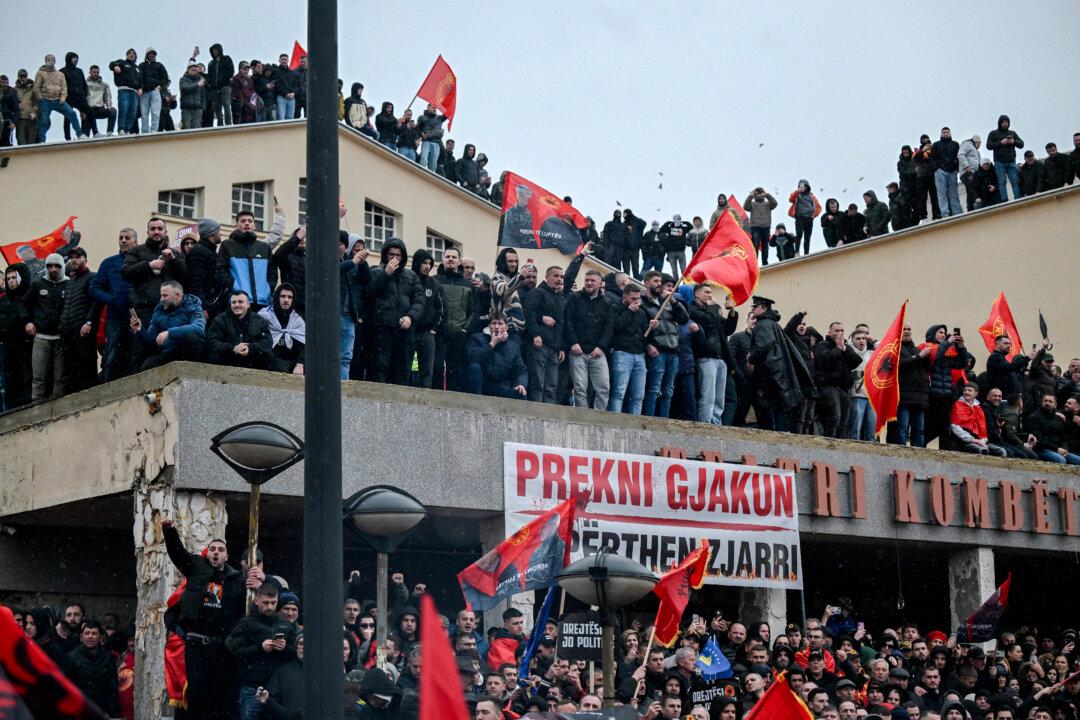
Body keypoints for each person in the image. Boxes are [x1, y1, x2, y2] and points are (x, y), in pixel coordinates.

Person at [162, 516, 247, 720]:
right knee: (196, 697)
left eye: (220, 549)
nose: (216, 552)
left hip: (221, 647)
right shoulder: (196, 567)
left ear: (227, 556)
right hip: (196, 645)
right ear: (207, 553)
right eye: (212, 549)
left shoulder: (236, 580)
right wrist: (170, 531)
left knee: (220, 698)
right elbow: (177, 553)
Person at [225, 582, 297, 720]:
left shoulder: (286, 624)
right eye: (266, 602)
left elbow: (298, 653)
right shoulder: (246, 623)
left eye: (273, 602)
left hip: (278, 688)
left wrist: (284, 648)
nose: (269, 607)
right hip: (252, 686)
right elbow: (233, 652)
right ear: (256, 600)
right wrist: (259, 648)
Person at [748, 296, 811, 431]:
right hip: (777, 377)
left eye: (755, 306)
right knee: (778, 415)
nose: (753, 309)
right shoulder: (773, 324)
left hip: (767, 376)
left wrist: (751, 358)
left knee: (769, 417)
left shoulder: (763, 324)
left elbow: (765, 346)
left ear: (764, 308)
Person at [366, 238, 423, 385]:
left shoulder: (412, 276)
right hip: (381, 328)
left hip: (405, 330)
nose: (395, 258)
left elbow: (419, 300)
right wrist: (386, 274)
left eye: (398, 255)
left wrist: (410, 317)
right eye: (391, 254)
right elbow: (369, 294)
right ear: (385, 255)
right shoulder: (375, 271)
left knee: (402, 369)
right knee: (380, 367)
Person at [642, 272, 689, 418]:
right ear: (646, 283)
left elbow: (683, 318)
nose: (659, 284)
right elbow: (638, 328)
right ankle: (650, 420)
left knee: (668, 391)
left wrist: (674, 302)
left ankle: (663, 421)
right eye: (655, 281)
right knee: (654, 389)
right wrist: (648, 344)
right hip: (658, 351)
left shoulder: (666, 301)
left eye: (660, 281)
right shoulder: (642, 302)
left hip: (673, 351)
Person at [129, 280, 206, 369]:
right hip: (168, 352)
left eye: (165, 295)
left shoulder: (194, 305)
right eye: (161, 295)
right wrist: (139, 330)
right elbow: (153, 341)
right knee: (147, 365)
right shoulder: (159, 310)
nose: (162, 299)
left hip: (186, 350)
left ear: (177, 295)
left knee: (192, 338)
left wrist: (169, 333)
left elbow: (199, 328)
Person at [689, 285, 737, 425]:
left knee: (719, 398)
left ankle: (716, 425)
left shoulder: (711, 311)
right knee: (708, 395)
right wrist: (714, 308)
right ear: (697, 294)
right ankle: (705, 425)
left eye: (711, 292)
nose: (710, 295)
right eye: (707, 292)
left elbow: (727, 329)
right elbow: (708, 322)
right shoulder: (692, 309)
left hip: (721, 358)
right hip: (706, 357)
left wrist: (732, 311)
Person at [565, 269, 612, 410]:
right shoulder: (574, 298)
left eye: (592, 280)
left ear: (600, 283)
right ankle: (582, 418)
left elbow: (609, 327)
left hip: (597, 353)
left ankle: (598, 418)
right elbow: (568, 321)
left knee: (603, 388)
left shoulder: (607, 302)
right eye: (587, 280)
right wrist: (573, 342)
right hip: (577, 351)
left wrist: (601, 346)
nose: (589, 283)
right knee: (579, 388)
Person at [24, 253, 69, 402]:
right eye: (50, 266)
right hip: (41, 338)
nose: (53, 269)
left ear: (62, 266)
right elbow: (23, 304)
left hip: (61, 338)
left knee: (60, 377)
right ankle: (36, 408)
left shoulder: (68, 284)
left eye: (57, 266)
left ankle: (58, 410)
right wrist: (28, 322)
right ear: (46, 267)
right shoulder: (38, 284)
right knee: (38, 377)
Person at [58, 248, 98, 393]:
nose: (73, 259)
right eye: (71, 257)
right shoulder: (69, 282)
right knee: (70, 370)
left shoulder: (92, 278)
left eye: (78, 257)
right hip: (67, 333)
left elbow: (95, 303)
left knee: (86, 369)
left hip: (83, 332)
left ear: (85, 260)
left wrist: (89, 322)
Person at [607, 285, 651, 415]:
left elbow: (645, 336)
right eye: (633, 298)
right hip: (622, 353)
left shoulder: (642, 312)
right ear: (624, 297)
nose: (636, 301)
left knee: (638, 395)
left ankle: (635, 422)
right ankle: (615, 420)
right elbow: (615, 328)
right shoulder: (615, 309)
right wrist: (629, 312)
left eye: (638, 298)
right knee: (619, 392)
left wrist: (652, 329)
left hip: (639, 355)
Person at [217, 210, 273, 311]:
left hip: (262, 303)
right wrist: (234, 287)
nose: (247, 223)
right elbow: (220, 270)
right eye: (243, 221)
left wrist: (268, 290)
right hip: (237, 303)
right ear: (236, 226)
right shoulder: (228, 245)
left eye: (250, 221)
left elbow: (272, 273)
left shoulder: (264, 247)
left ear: (254, 226)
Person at [816, 322, 862, 439]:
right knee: (834, 418)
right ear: (829, 333)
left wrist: (845, 349)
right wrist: (837, 348)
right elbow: (825, 359)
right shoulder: (823, 345)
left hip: (844, 389)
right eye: (836, 331)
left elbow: (857, 361)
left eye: (842, 331)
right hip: (830, 388)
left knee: (843, 423)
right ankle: (829, 444)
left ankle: (840, 448)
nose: (840, 333)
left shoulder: (846, 348)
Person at [465, 313, 526, 399]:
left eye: (500, 324)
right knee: (474, 367)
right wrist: (492, 344)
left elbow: (520, 368)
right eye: (494, 323)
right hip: (481, 383)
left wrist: (521, 384)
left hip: (501, 386)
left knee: (521, 395)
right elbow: (474, 358)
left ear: (506, 327)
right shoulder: (476, 338)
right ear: (489, 326)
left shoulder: (513, 346)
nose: (497, 327)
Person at [206, 290, 273, 369]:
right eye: (234, 302)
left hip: (251, 359)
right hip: (228, 359)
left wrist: (250, 348)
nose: (237, 305)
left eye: (240, 302)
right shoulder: (220, 320)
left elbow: (268, 342)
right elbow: (212, 342)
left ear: (248, 305)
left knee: (268, 356)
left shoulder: (260, 321)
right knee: (213, 356)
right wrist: (233, 348)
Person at [67, 620, 119, 718]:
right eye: (87, 633)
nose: (90, 636)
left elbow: (113, 687)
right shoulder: (71, 658)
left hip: (103, 711)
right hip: (80, 711)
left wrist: (112, 713)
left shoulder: (108, 657)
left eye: (94, 633)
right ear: (81, 637)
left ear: (101, 637)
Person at [0, 263, 34, 408]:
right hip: (10, 346)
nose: (11, 281)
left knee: (29, 376)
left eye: (14, 278)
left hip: (28, 344)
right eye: (8, 279)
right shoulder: (3, 301)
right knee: (12, 380)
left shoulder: (31, 296)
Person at [410, 248, 444, 388]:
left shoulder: (434, 284)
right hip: (409, 331)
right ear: (417, 262)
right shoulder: (408, 279)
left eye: (430, 263)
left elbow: (441, 310)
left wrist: (434, 329)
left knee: (426, 373)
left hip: (427, 334)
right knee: (405, 369)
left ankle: (425, 403)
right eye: (424, 262)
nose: (427, 266)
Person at [33, 53, 85, 142]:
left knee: (72, 113)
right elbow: (36, 87)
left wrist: (63, 97)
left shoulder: (60, 74)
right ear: (45, 61)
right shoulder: (40, 73)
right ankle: (42, 140)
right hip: (45, 100)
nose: (50, 61)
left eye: (52, 59)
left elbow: (64, 87)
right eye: (48, 59)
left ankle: (80, 134)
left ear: (55, 61)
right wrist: (40, 98)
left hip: (58, 100)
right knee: (43, 121)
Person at [895, 323, 931, 447]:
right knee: (903, 428)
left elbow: (926, 369)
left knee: (920, 429)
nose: (906, 332)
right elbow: (899, 364)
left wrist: (926, 357)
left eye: (909, 329)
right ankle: (901, 453)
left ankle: (919, 454)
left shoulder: (917, 349)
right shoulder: (896, 349)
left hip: (920, 397)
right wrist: (919, 356)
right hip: (905, 396)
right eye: (904, 329)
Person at [258, 284, 305, 374]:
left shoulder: (297, 319)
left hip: (294, 362)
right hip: (271, 361)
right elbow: (260, 343)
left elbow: (306, 345)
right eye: (283, 296)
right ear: (276, 297)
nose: (286, 300)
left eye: (290, 297)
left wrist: (300, 364)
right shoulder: (265, 316)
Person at [950, 382, 1006, 455]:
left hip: (979, 441)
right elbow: (955, 426)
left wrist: (982, 441)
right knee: (982, 450)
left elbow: (983, 428)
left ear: (976, 394)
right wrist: (972, 440)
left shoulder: (978, 408)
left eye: (969, 390)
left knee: (1002, 452)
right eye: (965, 390)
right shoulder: (957, 405)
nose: (966, 392)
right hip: (964, 441)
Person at [1025, 393, 1080, 464]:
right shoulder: (1035, 417)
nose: (1047, 403)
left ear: (1055, 405)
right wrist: (1057, 449)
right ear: (1041, 402)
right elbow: (1038, 439)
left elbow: (1064, 437)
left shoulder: (1058, 418)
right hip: (1041, 449)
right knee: (1061, 460)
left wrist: (1064, 449)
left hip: (1058, 449)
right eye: (1045, 401)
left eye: (1050, 401)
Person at [986, 115, 1024, 202]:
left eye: (1006, 122)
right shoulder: (993, 133)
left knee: (1014, 181)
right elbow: (988, 146)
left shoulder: (1012, 133)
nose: (1005, 124)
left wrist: (1013, 142)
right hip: (999, 162)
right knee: (1002, 182)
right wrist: (1001, 143)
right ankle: (1005, 201)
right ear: (1000, 123)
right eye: (1003, 122)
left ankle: (1018, 200)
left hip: (1011, 161)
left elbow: (1021, 144)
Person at [848, 328, 877, 440]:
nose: (861, 341)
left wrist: (873, 340)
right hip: (857, 395)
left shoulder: (871, 353)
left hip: (871, 396)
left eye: (864, 338)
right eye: (858, 338)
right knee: (855, 429)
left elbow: (886, 350)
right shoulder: (848, 352)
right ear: (852, 340)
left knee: (871, 429)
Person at [931, 127, 962, 217]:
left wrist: (956, 168)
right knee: (942, 194)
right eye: (944, 132)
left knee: (953, 193)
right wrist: (937, 168)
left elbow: (958, 157)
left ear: (950, 133)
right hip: (940, 171)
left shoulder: (955, 144)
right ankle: (945, 213)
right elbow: (932, 158)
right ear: (941, 134)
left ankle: (956, 212)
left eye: (947, 132)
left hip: (952, 171)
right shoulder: (936, 145)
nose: (945, 133)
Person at [743, 188, 778, 265]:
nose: (759, 195)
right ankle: (754, 264)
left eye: (760, 193)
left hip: (766, 227)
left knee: (765, 246)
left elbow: (775, 204)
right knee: (755, 245)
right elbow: (745, 206)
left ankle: (765, 263)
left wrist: (767, 194)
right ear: (755, 195)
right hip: (755, 227)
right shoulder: (752, 204)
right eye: (757, 193)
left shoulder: (768, 204)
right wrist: (751, 195)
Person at [138, 48, 169, 134]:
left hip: (155, 91)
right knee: (144, 114)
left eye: (153, 54)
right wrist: (140, 87)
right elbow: (138, 78)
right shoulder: (141, 66)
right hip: (144, 92)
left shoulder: (159, 65)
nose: (152, 55)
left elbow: (165, 78)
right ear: (147, 54)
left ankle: (154, 129)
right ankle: (144, 131)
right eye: (150, 53)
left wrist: (159, 86)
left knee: (155, 112)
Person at [787, 179, 822, 255]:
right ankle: (797, 252)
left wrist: (814, 216)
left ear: (807, 187)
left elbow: (818, 206)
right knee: (799, 235)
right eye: (801, 186)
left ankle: (806, 253)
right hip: (800, 217)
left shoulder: (811, 195)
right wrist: (797, 191)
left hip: (809, 218)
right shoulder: (797, 195)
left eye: (804, 186)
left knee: (807, 237)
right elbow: (791, 199)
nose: (803, 188)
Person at [913, 134, 941, 221]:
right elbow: (915, 160)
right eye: (923, 140)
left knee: (934, 196)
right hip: (922, 176)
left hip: (933, 175)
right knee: (922, 198)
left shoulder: (934, 149)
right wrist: (922, 150)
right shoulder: (917, 151)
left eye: (927, 140)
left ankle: (936, 215)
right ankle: (923, 217)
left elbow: (938, 158)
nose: (925, 141)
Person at [83, 65, 117, 136]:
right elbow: (82, 96)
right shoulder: (85, 83)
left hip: (100, 109)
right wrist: (82, 109)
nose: (96, 74)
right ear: (90, 72)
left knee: (113, 111)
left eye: (97, 72)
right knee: (85, 135)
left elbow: (107, 95)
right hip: (88, 109)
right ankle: (91, 135)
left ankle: (110, 132)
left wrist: (109, 104)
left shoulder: (104, 84)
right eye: (94, 72)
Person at [417, 102, 448, 172]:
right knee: (424, 160)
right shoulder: (422, 117)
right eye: (433, 107)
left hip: (436, 143)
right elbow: (418, 129)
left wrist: (449, 101)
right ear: (428, 108)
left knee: (433, 164)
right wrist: (421, 134)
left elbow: (448, 114)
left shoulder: (439, 118)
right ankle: (420, 174)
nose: (435, 109)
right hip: (426, 142)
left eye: (435, 108)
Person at [957, 134, 983, 211]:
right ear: (974, 141)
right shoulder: (967, 144)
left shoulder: (976, 151)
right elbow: (960, 155)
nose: (979, 145)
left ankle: (973, 207)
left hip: (975, 172)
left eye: (980, 143)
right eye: (978, 143)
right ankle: (970, 208)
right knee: (971, 188)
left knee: (973, 189)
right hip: (967, 172)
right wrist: (967, 166)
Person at [179, 61, 207, 129]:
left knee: (197, 130)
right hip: (186, 109)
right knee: (187, 128)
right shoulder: (183, 79)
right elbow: (184, 89)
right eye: (192, 68)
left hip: (198, 109)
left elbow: (203, 96)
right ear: (188, 69)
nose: (194, 70)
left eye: (195, 68)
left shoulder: (201, 80)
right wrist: (197, 85)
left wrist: (202, 107)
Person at [273, 53, 299, 121]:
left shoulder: (292, 73)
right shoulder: (276, 71)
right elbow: (277, 85)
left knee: (290, 119)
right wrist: (285, 94)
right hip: (281, 98)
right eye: (282, 59)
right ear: (279, 61)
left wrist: (294, 93)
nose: (284, 61)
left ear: (288, 61)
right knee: (281, 118)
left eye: (285, 59)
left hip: (292, 98)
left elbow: (296, 85)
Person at [623, 209, 647, 277]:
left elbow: (644, 223)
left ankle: (635, 285)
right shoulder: (624, 224)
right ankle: (626, 285)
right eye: (623, 214)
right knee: (626, 269)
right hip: (625, 249)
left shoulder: (637, 222)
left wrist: (633, 217)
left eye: (625, 214)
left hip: (635, 249)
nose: (623, 216)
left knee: (635, 269)